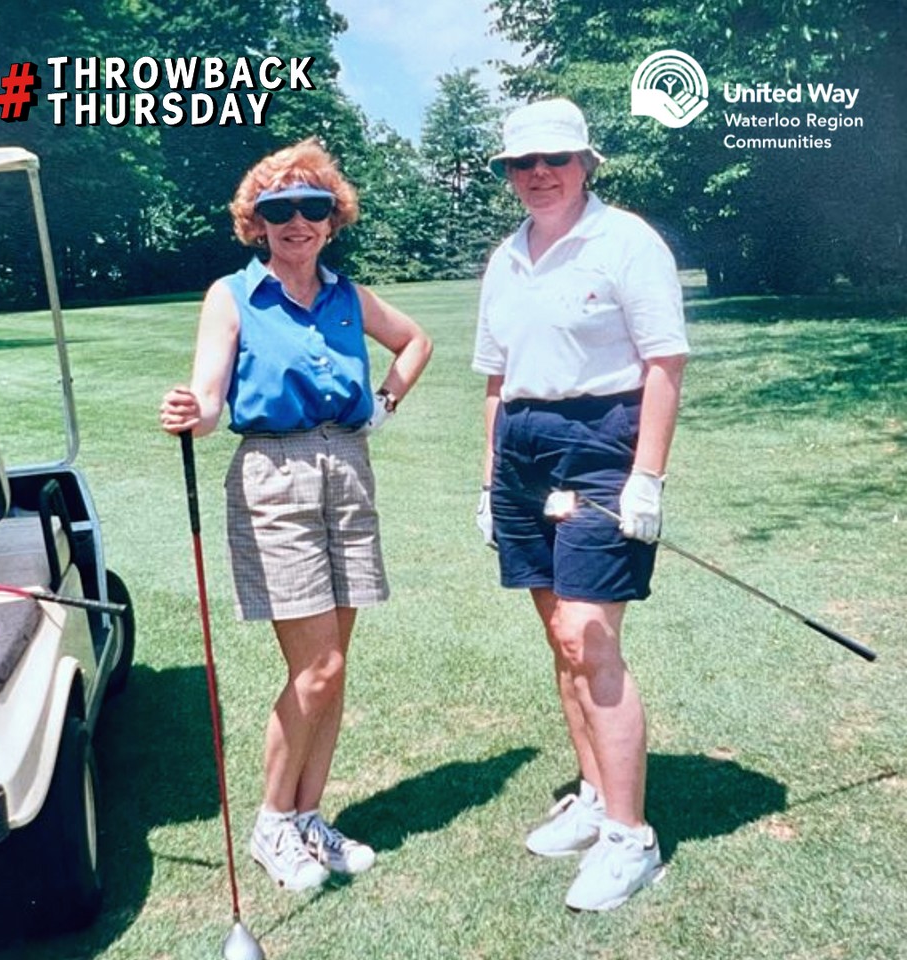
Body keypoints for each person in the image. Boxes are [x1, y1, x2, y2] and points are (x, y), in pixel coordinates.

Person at [160, 138, 432, 892]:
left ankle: (309, 819)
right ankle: (272, 824)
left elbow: (416, 342)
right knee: (315, 669)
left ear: (332, 218)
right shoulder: (232, 295)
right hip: (272, 479)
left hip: (347, 469)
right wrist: (193, 411)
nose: (297, 220)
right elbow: (210, 401)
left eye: (313, 207)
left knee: (333, 674)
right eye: (278, 208)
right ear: (257, 221)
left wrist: (382, 405)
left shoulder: (348, 296)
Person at [473, 98, 689, 912]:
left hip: (603, 437)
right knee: (559, 639)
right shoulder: (506, 257)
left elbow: (664, 363)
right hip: (524, 446)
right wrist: (488, 479)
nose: (538, 176)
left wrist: (647, 478)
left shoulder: (628, 241)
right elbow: (498, 382)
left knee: (588, 636)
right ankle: (597, 799)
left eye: (554, 161)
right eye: (521, 165)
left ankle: (632, 838)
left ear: (586, 164)